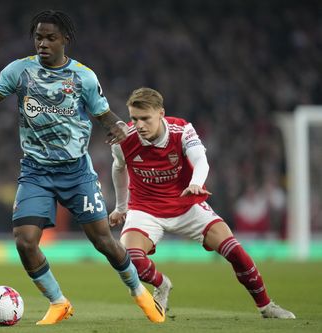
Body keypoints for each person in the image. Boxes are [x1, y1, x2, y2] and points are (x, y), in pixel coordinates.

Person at [0, 10, 165, 325]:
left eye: (50, 37)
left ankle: (139, 293)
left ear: (65, 39)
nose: (43, 44)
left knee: (104, 242)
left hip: (77, 172)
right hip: (36, 172)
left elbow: (104, 114)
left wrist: (118, 124)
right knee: (24, 240)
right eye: (38, 37)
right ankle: (58, 301)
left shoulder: (83, 77)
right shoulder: (19, 71)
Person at [108, 87, 295, 319]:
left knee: (235, 251)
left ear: (161, 113)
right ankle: (162, 284)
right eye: (134, 118)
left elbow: (201, 160)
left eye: (145, 118)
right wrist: (121, 207)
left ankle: (266, 306)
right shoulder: (124, 139)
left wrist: (196, 182)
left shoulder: (182, 129)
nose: (139, 125)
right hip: (145, 210)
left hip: (187, 205)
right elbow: (118, 167)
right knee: (130, 258)